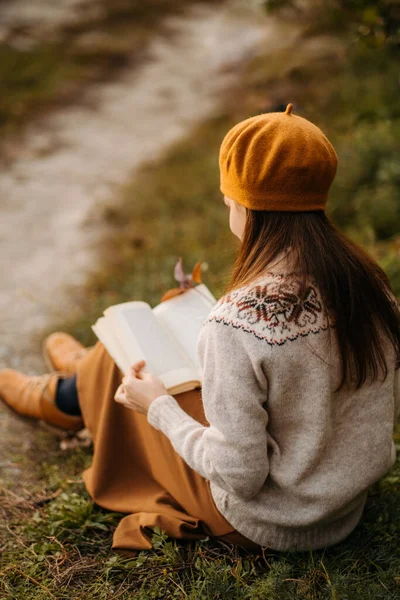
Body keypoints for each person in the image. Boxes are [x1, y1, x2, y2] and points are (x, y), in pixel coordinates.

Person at [1, 103, 400, 554]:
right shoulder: (373, 288)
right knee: (150, 352)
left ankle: (65, 395)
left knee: (139, 364)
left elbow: (240, 476)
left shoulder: (238, 322)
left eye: (229, 202)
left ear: (246, 208)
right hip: (342, 508)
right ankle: (81, 376)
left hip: (265, 522)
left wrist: (160, 410)